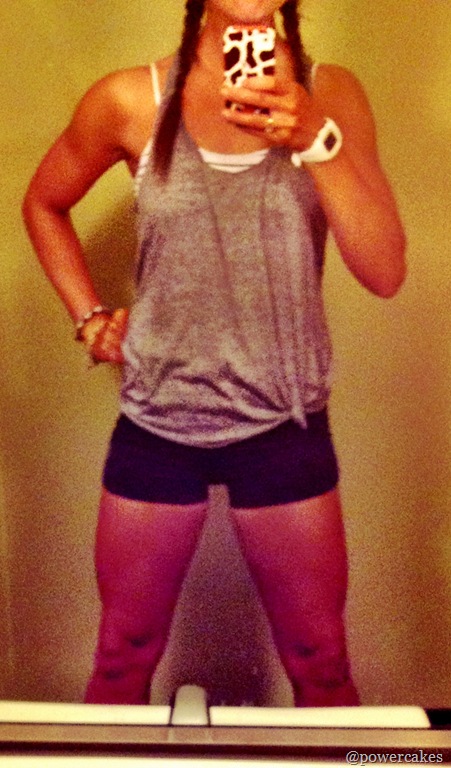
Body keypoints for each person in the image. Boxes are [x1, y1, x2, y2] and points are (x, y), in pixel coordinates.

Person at [22, 0, 406, 707]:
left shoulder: (331, 92)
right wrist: (90, 319)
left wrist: (316, 138)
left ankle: (370, 759)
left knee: (321, 662)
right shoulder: (130, 98)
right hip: (158, 422)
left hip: (285, 423)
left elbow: (384, 271)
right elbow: (43, 203)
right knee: (121, 656)